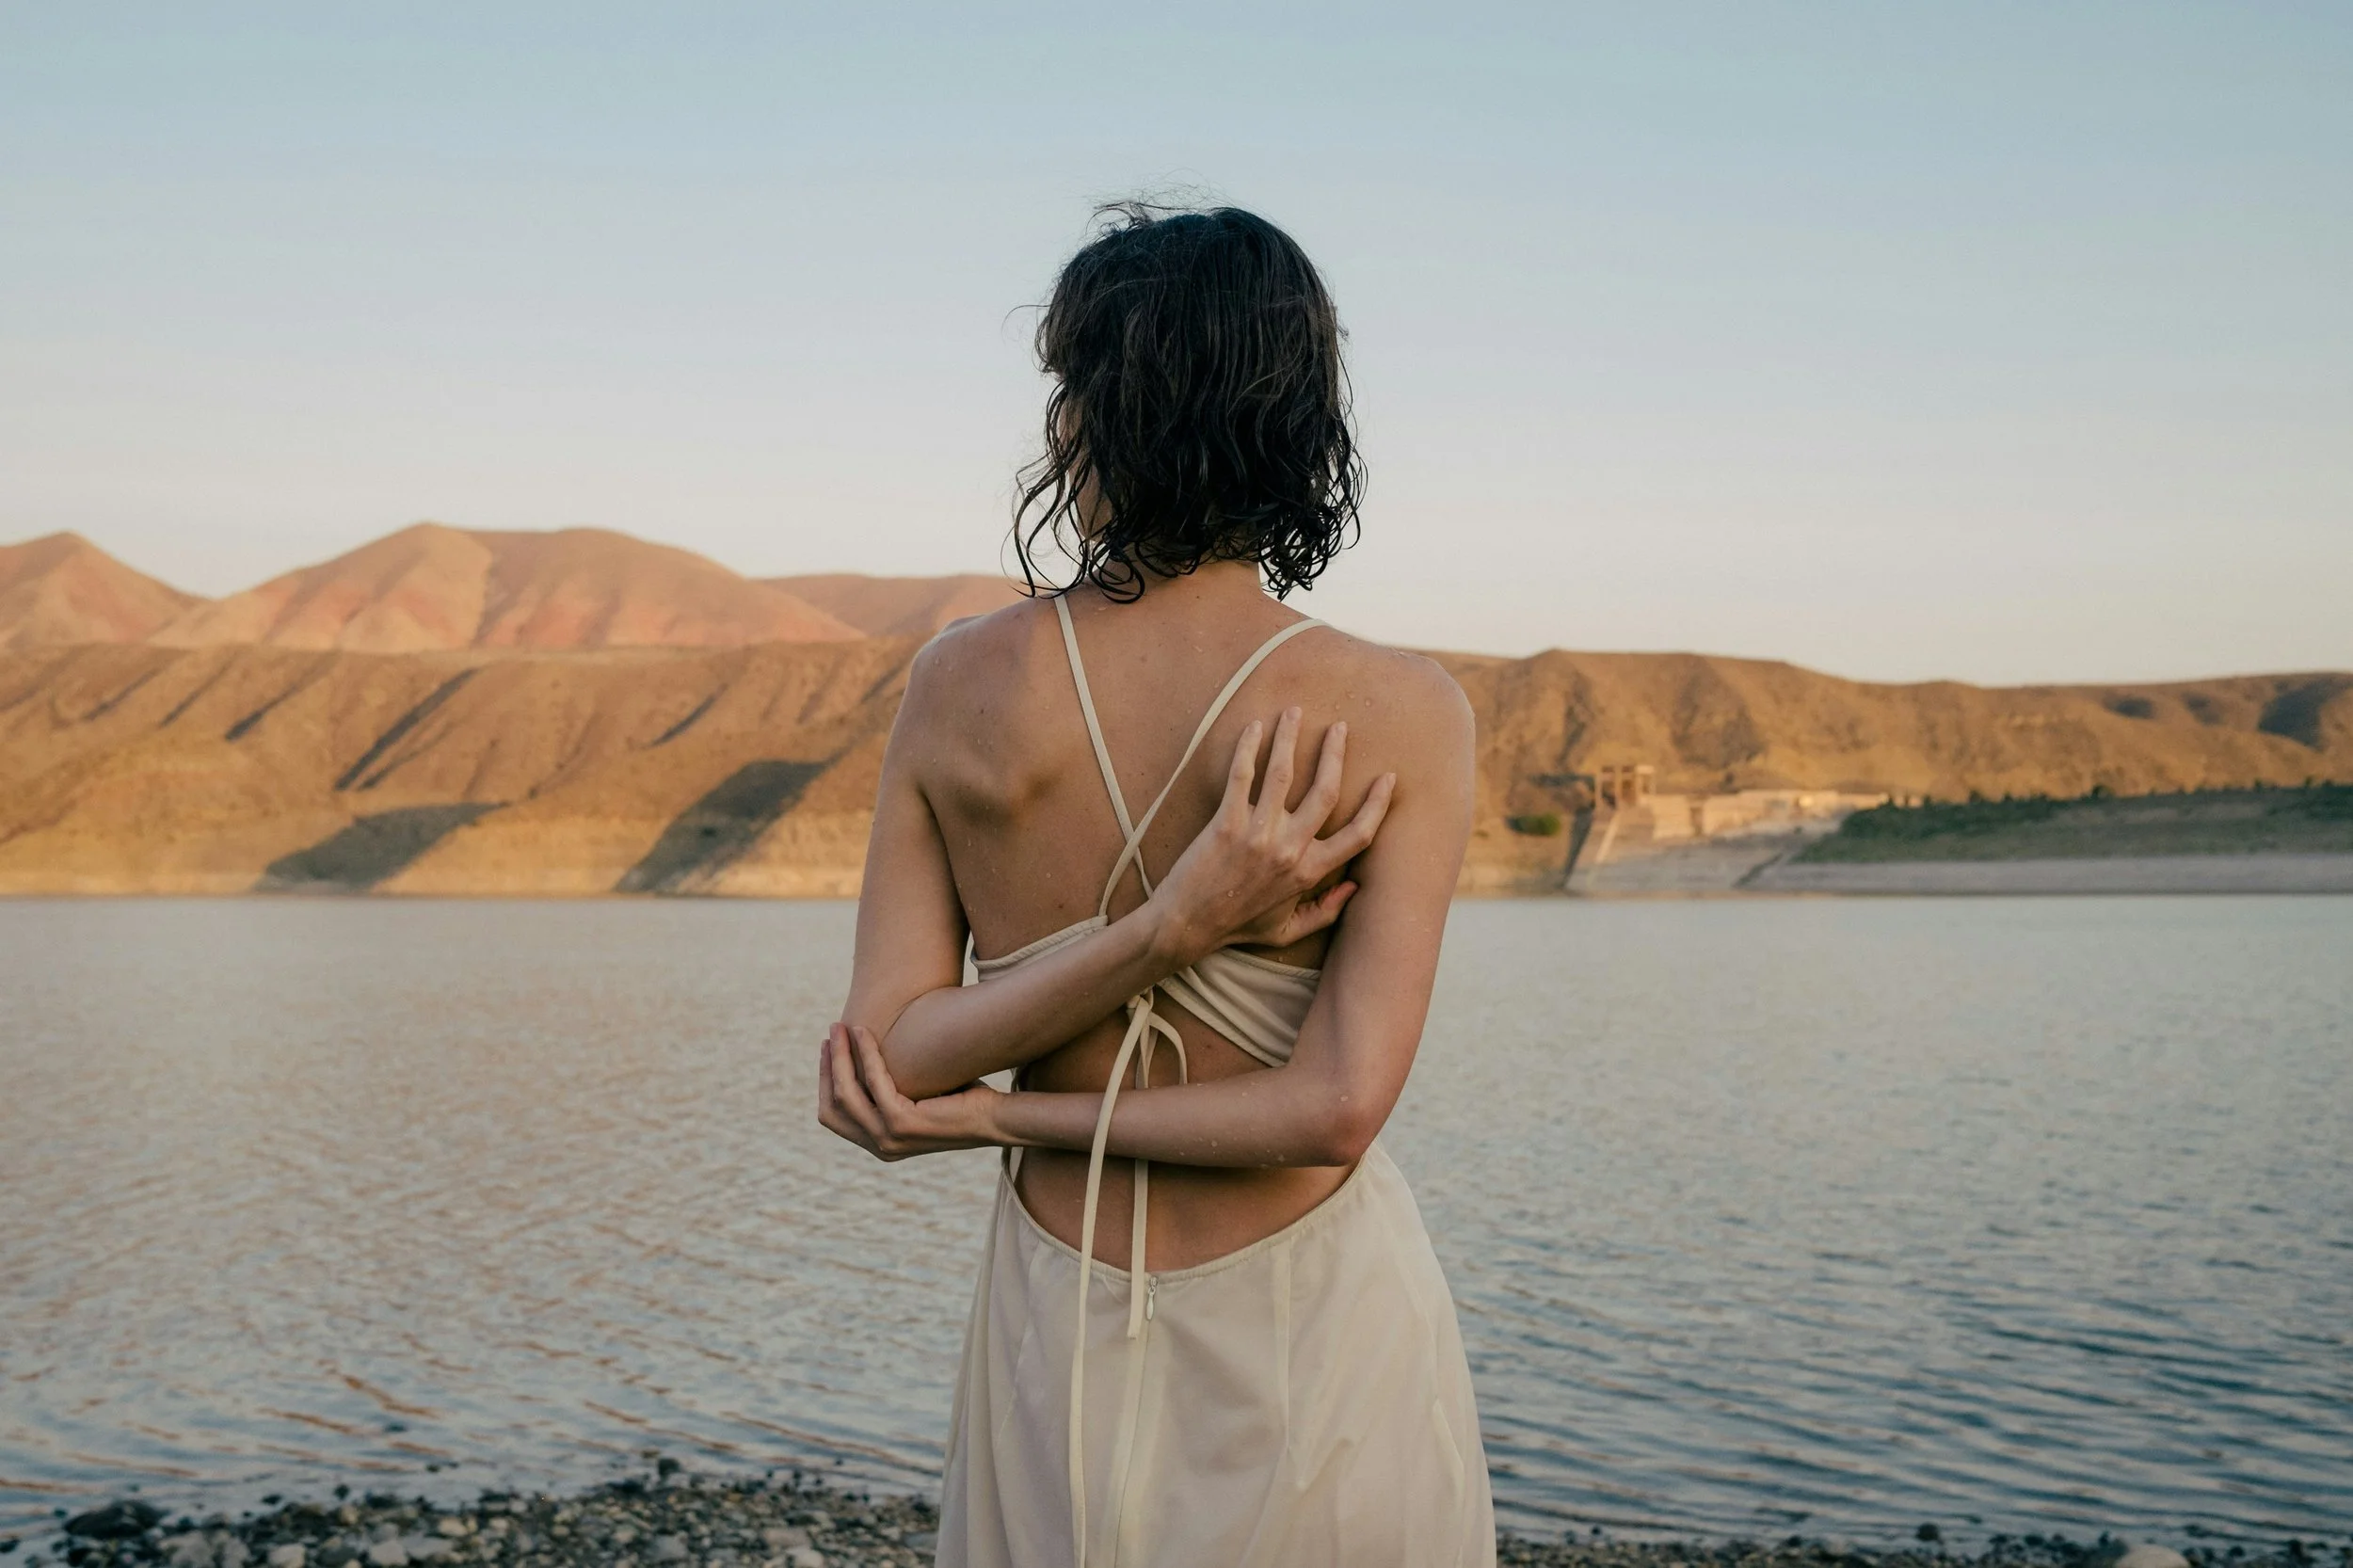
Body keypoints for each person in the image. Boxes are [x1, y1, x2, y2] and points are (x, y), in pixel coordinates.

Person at [820, 202, 1494, 1568]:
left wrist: (1002, 1121)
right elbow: (1336, 1106)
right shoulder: (1401, 709)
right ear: (1293, 420)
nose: (1056, 423)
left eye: (1069, 385)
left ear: (1109, 412)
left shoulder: (958, 686)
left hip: (1051, 1323)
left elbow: (896, 1055)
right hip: (1316, 1323)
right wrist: (1174, 927)